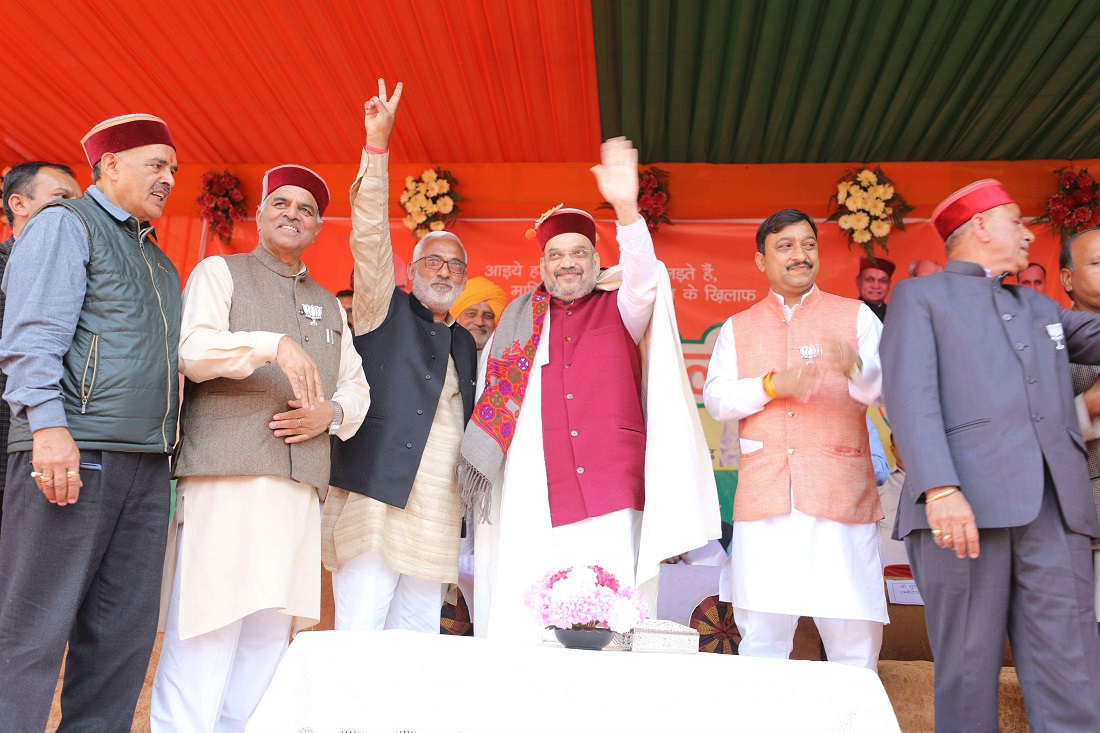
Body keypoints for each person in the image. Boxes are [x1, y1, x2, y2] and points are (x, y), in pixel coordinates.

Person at [458, 137, 719, 642]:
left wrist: (625, 207)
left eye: (579, 252)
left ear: (595, 259)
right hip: (532, 488)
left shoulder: (622, 304)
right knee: (527, 613)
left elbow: (645, 275)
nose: (568, 263)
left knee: (612, 612)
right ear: (542, 265)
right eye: (555, 255)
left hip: (609, 483)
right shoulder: (516, 321)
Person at [151, 165, 370, 731]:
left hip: (298, 492)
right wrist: (272, 344)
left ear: (319, 226)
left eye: (305, 208)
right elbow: (192, 349)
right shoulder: (220, 272)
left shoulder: (328, 303)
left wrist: (332, 413)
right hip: (229, 478)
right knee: (207, 623)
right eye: (282, 203)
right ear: (259, 213)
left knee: (270, 635)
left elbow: (356, 385)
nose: (292, 213)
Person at [881, 180, 1100, 731]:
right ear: (978, 226)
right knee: (969, 675)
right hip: (962, 512)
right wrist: (940, 488)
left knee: (1073, 675)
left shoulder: (1040, 306)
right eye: (1016, 221)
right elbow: (910, 396)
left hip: (1056, 513)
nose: (1030, 234)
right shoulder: (920, 297)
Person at [0, 114, 181, 730]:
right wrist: (48, 427)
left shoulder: (160, 264)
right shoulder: (64, 224)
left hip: (146, 468)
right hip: (72, 453)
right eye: (156, 164)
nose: (168, 178)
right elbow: (31, 336)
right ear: (109, 165)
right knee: (31, 634)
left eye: (173, 169)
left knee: (120, 644)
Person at [323, 80, 479, 633]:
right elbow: (368, 238)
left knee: (416, 646)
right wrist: (377, 146)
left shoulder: (464, 339)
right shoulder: (380, 309)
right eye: (433, 262)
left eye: (456, 266)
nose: (444, 272)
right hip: (377, 503)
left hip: (437, 514)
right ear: (411, 273)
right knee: (361, 636)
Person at [703, 209, 887, 670]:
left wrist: (856, 368)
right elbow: (719, 399)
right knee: (762, 640)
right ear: (761, 261)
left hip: (838, 493)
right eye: (785, 246)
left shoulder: (856, 316)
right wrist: (771, 385)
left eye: (808, 244)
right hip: (766, 497)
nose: (799, 255)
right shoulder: (737, 327)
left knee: (852, 639)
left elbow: (892, 388)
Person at [0, 162, 80, 534]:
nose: (73, 210)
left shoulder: (79, 270)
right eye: (62, 199)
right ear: (19, 203)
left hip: (47, 440)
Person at [1059, 226, 1100, 623]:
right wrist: (1092, 402)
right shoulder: (1047, 344)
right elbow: (1041, 432)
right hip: (1086, 520)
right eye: (1099, 263)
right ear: (1068, 278)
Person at [449, 275, 507, 354]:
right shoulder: (439, 355)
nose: (480, 322)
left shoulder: (507, 360)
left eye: (488, 316)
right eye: (471, 314)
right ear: (455, 318)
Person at [855, 255, 894, 322]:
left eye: (882, 281)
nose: (876, 286)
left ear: (889, 284)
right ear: (858, 281)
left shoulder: (894, 314)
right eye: (869, 279)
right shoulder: (850, 312)